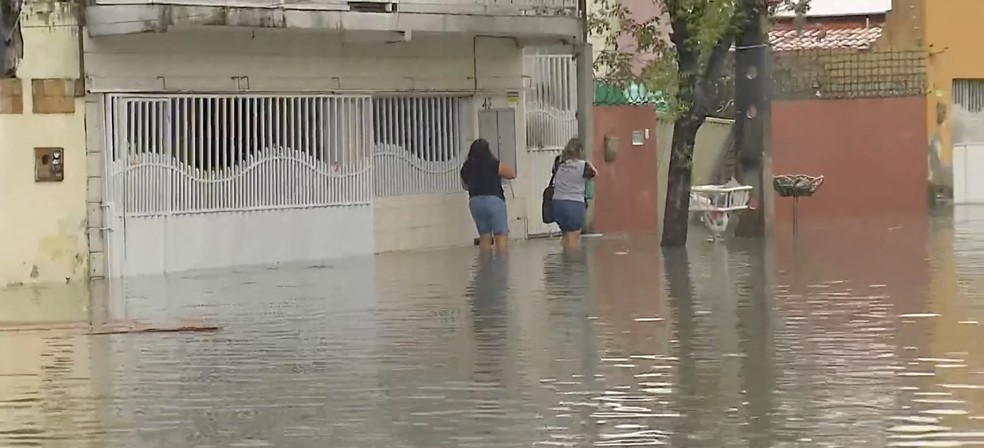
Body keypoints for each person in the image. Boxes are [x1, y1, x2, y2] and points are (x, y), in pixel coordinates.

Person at [461, 138, 516, 252]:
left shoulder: (466, 167)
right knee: (500, 236)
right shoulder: (492, 163)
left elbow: (465, 186)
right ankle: (501, 266)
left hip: (475, 202)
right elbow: (511, 174)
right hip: (494, 201)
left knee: (484, 237)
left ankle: (484, 267)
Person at [551, 138, 597, 250]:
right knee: (574, 240)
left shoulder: (559, 162)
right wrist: (589, 162)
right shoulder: (583, 165)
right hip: (574, 205)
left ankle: (564, 262)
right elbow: (594, 174)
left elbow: (554, 173)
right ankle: (571, 265)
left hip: (557, 204)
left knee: (566, 237)